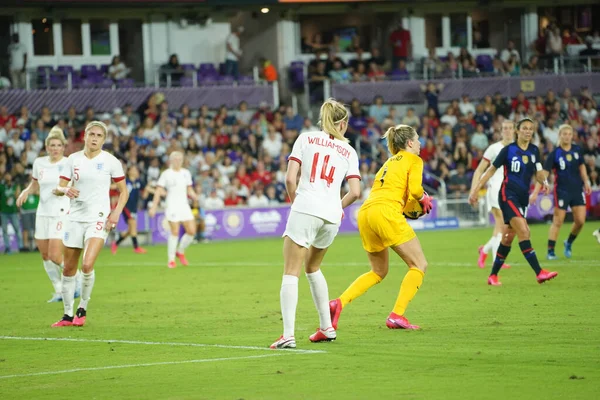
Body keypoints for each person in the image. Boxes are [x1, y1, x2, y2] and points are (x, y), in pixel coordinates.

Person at [270, 98, 362, 349]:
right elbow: (355, 192)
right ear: (342, 123)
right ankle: (326, 328)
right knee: (313, 267)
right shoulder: (350, 151)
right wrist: (337, 207)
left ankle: (288, 335)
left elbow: (290, 178)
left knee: (291, 270)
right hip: (331, 217)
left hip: (306, 207)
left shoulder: (305, 138)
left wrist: (295, 203)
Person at [329, 124, 433, 332]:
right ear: (410, 143)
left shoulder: (388, 162)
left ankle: (338, 303)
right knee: (419, 264)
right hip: (385, 212)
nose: (420, 143)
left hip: (366, 212)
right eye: (418, 139)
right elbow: (415, 190)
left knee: (378, 271)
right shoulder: (414, 160)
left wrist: (408, 207)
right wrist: (423, 198)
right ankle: (397, 315)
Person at [51, 121, 128, 327]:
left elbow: (123, 191)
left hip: (98, 217)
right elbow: (57, 189)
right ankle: (67, 315)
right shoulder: (72, 160)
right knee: (68, 268)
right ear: (84, 136)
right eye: (91, 134)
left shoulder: (111, 161)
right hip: (74, 218)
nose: (94, 138)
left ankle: (82, 307)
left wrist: (116, 213)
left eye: (99, 136)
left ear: (104, 139)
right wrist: (65, 190)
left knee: (86, 264)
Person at [468, 118, 558, 286]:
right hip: (507, 195)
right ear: (518, 131)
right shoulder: (508, 150)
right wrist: (475, 190)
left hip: (522, 198)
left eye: (531, 129)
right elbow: (490, 171)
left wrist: (544, 182)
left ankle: (493, 275)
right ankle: (539, 272)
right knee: (524, 231)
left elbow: (538, 172)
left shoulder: (534, 150)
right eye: (524, 128)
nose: (528, 131)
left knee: (508, 238)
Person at [17, 127, 82, 302]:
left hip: (60, 212)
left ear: (63, 147)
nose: (55, 148)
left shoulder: (69, 162)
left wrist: (65, 190)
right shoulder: (39, 163)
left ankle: (77, 278)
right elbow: (35, 184)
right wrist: (26, 191)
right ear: (47, 147)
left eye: (58, 145)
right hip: (42, 212)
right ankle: (59, 290)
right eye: (52, 145)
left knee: (54, 255)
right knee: (45, 255)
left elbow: (76, 185)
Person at [530, 124, 592, 259]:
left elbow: (582, 167)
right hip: (562, 190)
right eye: (564, 134)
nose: (567, 136)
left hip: (576, 189)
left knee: (580, 221)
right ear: (560, 136)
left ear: (572, 136)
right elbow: (543, 174)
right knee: (558, 221)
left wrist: (586, 181)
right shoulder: (555, 153)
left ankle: (568, 242)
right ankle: (550, 251)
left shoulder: (577, 150)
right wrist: (535, 193)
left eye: (569, 134)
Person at [470, 120, 515, 269]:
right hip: (495, 189)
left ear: (515, 130)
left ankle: (485, 250)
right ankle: (497, 260)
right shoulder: (494, 148)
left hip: (510, 191)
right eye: (505, 128)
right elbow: (479, 170)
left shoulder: (517, 149)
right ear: (501, 131)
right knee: (501, 224)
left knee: (505, 226)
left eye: (510, 128)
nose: (507, 131)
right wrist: (473, 189)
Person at [148, 151, 198, 268]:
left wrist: (194, 195)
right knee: (174, 231)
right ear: (171, 161)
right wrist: (154, 207)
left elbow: (189, 189)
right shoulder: (166, 174)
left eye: (180, 159)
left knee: (191, 231)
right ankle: (171, 260)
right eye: (175, 159)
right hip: (172, 205)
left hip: (184, 205)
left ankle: (180, 251)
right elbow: (158, 191)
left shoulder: (186, 173)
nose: (178, 161)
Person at [111, 165, 147, 254]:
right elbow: (114, 187)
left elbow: (146, 189)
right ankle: (136, 247)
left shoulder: (139, 182)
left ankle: (116, 243)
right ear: (129, 171)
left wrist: (147, 193)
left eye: (136, 170)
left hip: (134, 207)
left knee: (131, 229)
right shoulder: (125, 182)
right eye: (133, 170)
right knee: (133, 224)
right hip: (126, 206)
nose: (135, 171)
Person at [0, 172, 24, 253]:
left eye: (8, 175)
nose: (7, 177)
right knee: (4, 230)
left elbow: (18, 196)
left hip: (13, 211)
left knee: (17, 229)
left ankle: (21, 246)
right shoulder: (2, 186)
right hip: (3, 211)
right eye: (6, 176)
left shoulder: (15, 186)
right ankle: (7, 247)